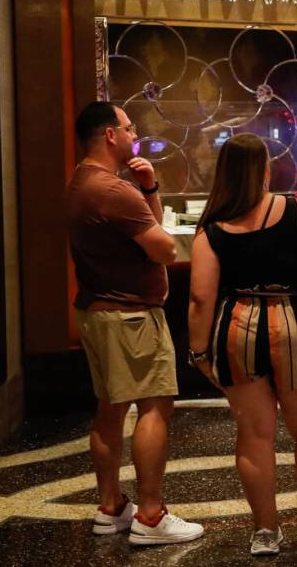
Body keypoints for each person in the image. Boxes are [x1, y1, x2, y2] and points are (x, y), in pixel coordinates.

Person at [187, 134, 297, 556]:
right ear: (263, 169)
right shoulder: (293, 210)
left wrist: (198, 352)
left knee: (254, 435)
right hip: (296, 319)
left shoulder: (211, 229)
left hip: (237, 327)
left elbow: (200, 298)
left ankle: (265, 532)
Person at [67, 101, 204, 545]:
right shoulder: (112, 190)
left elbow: (151, 231)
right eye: (129, 128)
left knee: (109, 409)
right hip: (130, 318)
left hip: (97, 311)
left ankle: (111, 507)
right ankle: (149, 516)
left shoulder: (81, 181)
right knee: (154, 407)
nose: (134, 136)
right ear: (109, 135)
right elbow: (165, 249)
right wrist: (141, 193)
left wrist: (149, 186)